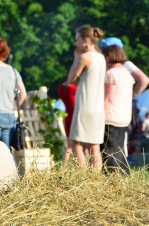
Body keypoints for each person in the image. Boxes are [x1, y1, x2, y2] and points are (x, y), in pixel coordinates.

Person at [66, 26, 106, 171]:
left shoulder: (85, 57)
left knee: (75, 143)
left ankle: (82, 177)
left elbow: (70, 79)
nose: (76, 44)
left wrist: (76, 58)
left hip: (84, 106)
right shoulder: (101, 58)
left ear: (86, 40)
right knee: (94, 147)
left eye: (77, 40)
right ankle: (95, 179)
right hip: (98, 108)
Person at [101, 39, 135, 174]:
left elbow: (108, 99)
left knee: (109, 150)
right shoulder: (126, 73)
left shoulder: (110, 74)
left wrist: (100, 117)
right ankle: (124, 175)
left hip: (111, 117)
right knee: (119, 149)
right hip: (124, 117)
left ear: (108, 57)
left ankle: (113, 177)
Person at [57, 81, 77, 164]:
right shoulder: (74, 88)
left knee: (70, 144)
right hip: (75, 116)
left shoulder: (61, 87)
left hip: (68, 116)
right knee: (76, 145)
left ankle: (65, 167)